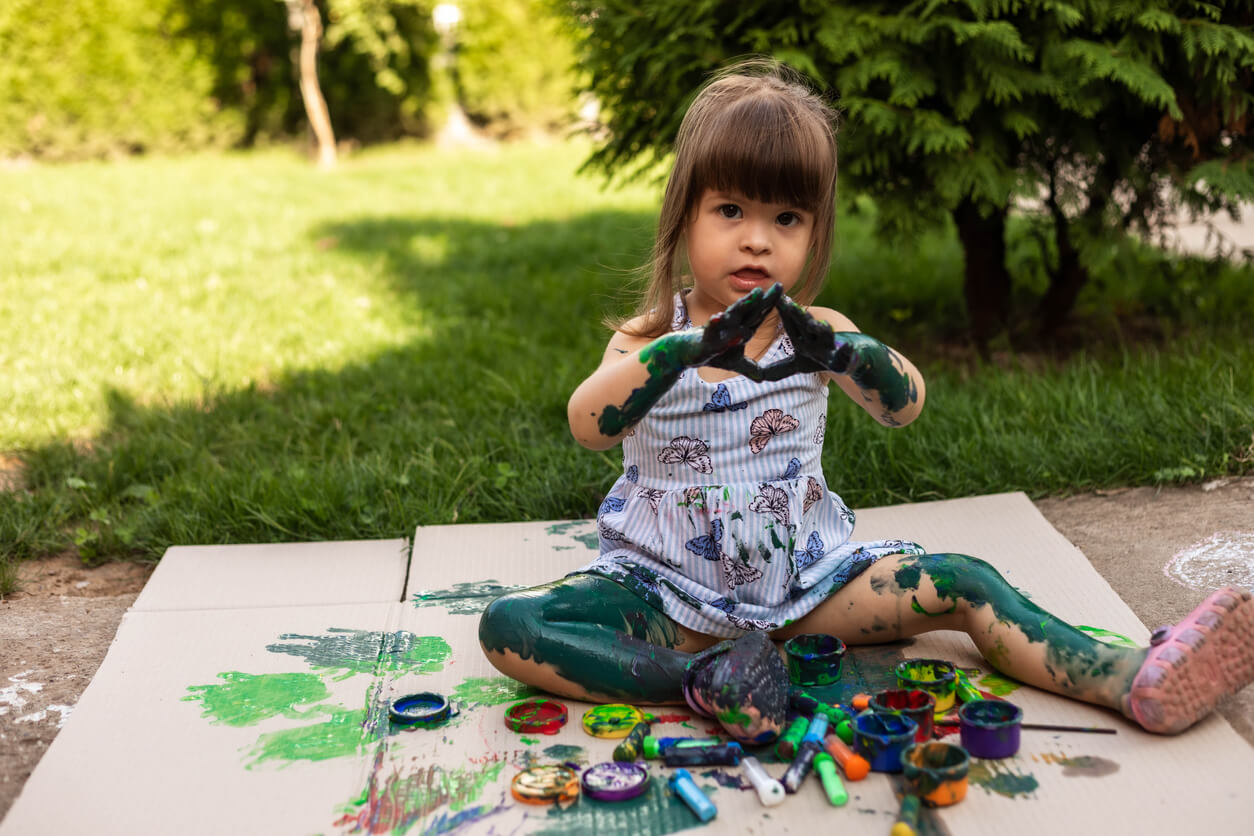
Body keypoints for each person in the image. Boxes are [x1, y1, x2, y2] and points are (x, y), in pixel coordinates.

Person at [478, 60, 1254, 744]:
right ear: (685, 215)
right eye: (732, 212)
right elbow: (589, 424)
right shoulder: (650, 338)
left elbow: (903, 404)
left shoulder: (821, 334)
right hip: (665, 602)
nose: (757, 240)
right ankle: (706, 679)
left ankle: (1126, 676)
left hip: (807, 591)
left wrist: (847, 355)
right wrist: (683, 352)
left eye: (786, 219)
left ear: (814, 234)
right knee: (513, 627)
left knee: (966, 580)